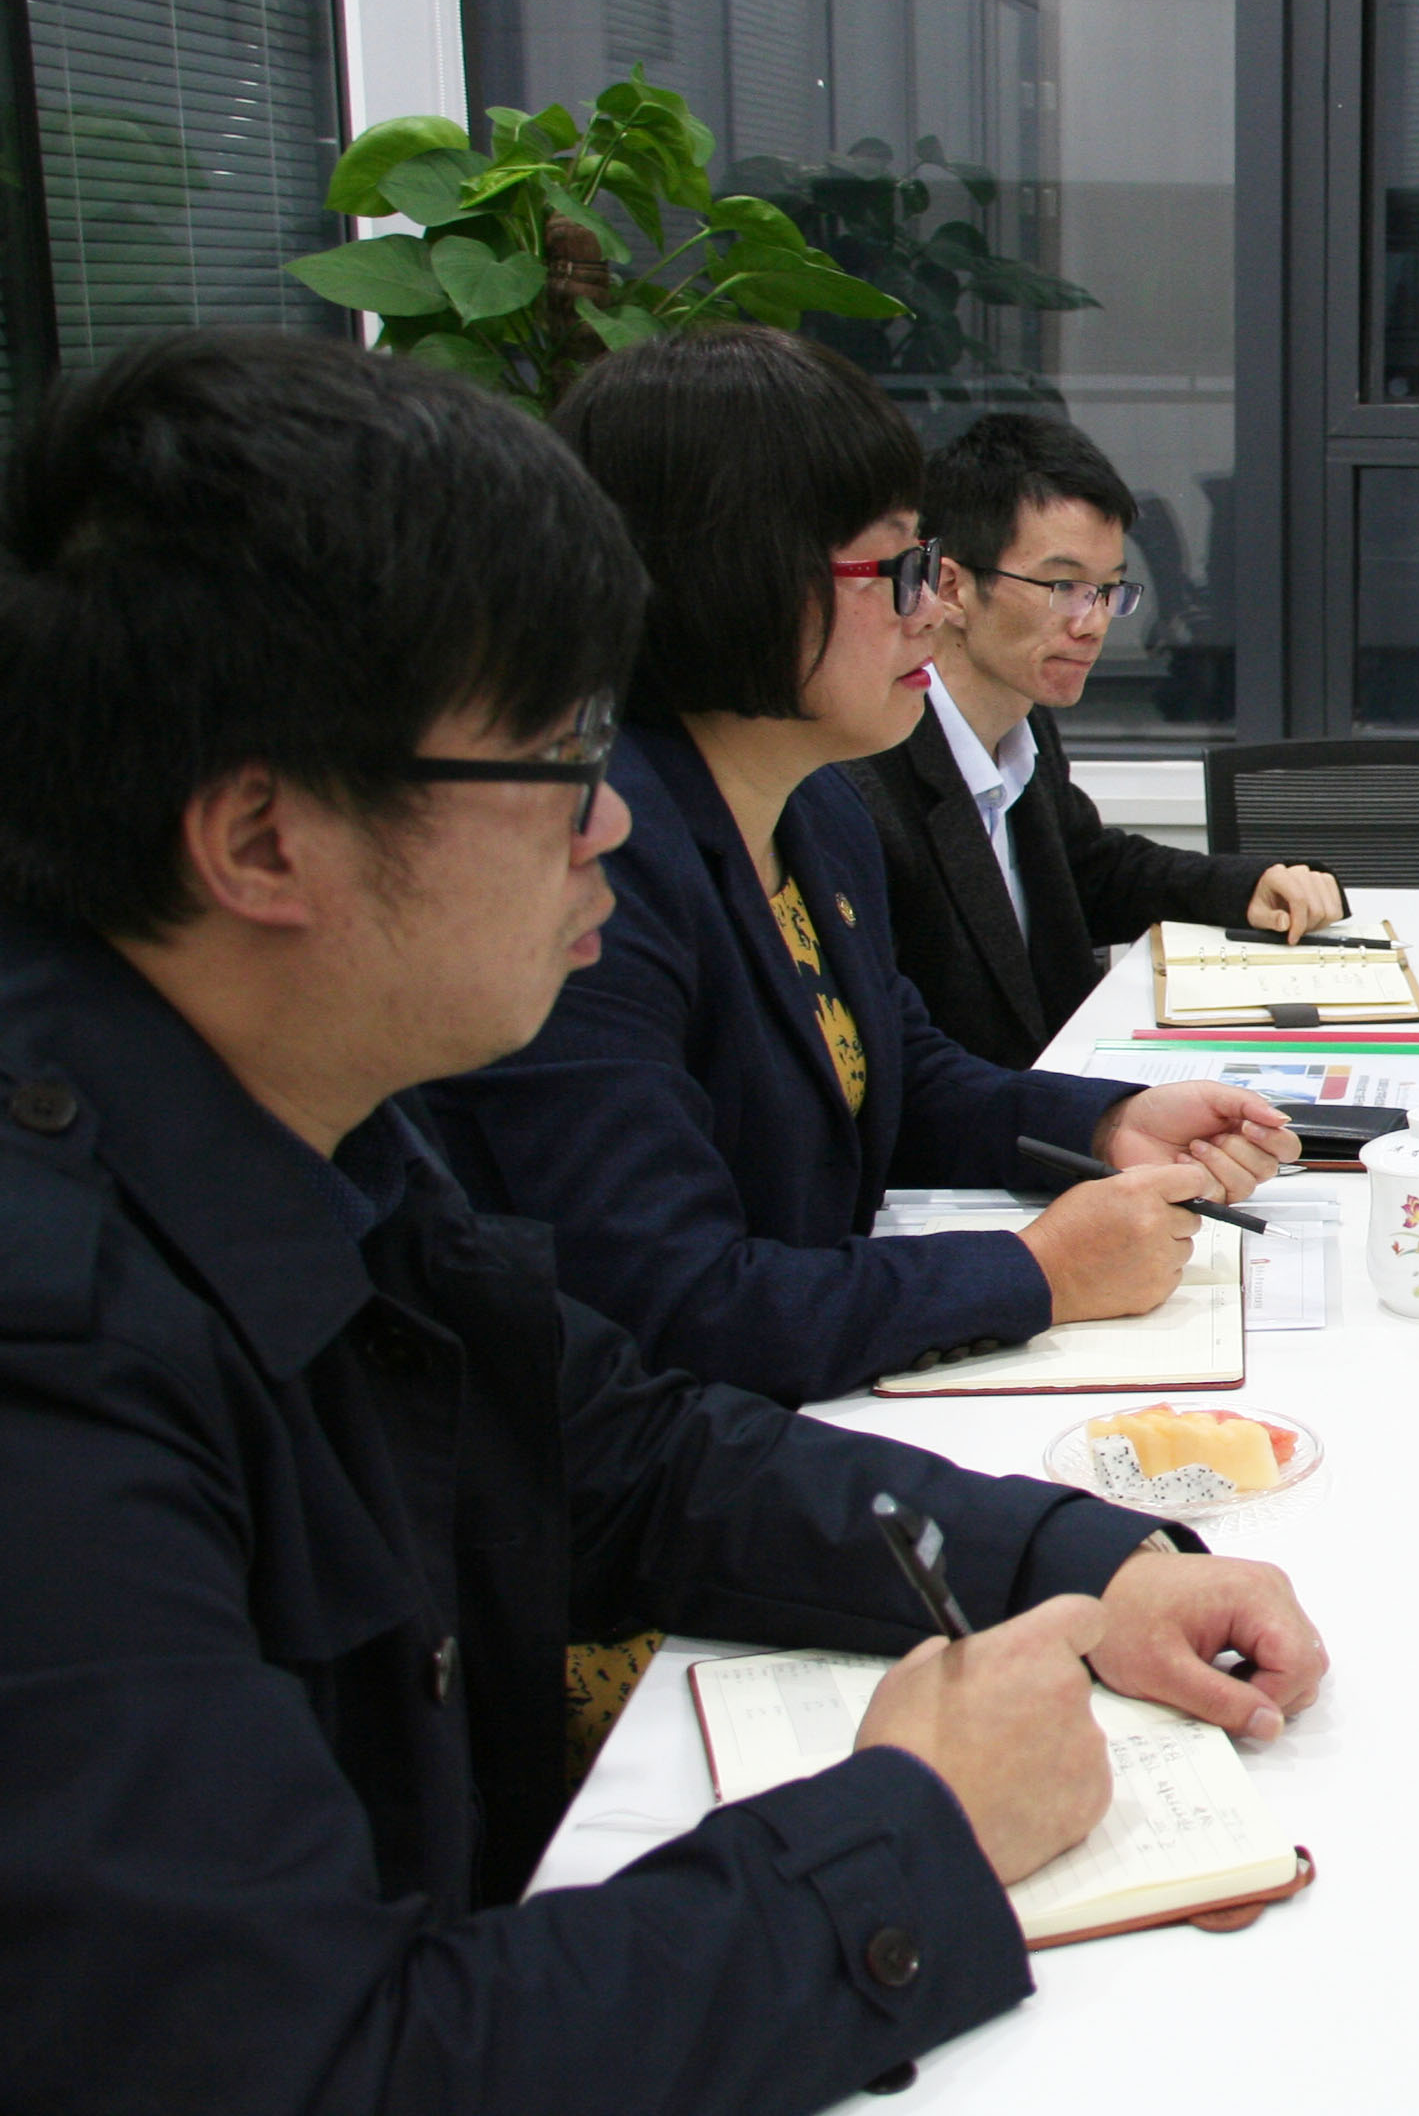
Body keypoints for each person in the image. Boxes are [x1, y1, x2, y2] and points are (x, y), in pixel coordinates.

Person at [0, 330, 1329, 2111]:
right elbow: (319, 2064)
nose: (611, 818)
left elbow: (618, 1450)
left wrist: (1081, 1563)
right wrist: (914, 1834)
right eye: (555, 753)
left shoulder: (302, 1121)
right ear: (262, 840)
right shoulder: (56, 1369)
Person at [422, 329, 1298, 1405]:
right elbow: (676, 1302)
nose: (936, 606)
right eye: (899, 571)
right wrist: (1036, 1273)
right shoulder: (587, 872)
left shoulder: (821, 806)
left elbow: (900, 1073)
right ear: (736, 577)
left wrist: (1107, 1121)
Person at [847, 412, 1346, 1071]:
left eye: (1109, 590)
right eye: (1065, 588)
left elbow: (1086, 870)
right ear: (951, 587)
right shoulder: (865, 779)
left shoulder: (1021, 724)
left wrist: (1243, 885)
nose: (1094, 623)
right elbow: (902, 1063)